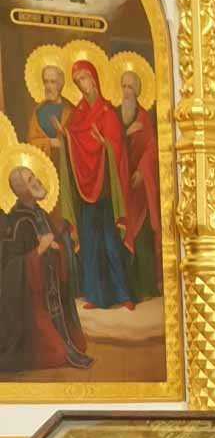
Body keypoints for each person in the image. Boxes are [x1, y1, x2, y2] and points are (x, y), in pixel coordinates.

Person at [59, 58, 135, 310]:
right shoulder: (77, 115)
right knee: (90, 242)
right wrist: (65, 136)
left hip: (105, 188)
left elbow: (116, 147)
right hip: (85, 188)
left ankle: (123, 294)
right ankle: (95, 295)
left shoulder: (107, 112)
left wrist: (105, 145)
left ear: (94, 79)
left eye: (84, 78)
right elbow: (75, 139)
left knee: (111, 241)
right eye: (77, 81)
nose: (82, 84)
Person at [0, 165, 91, 373]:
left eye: (34, 176)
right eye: (30, 180)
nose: (37, 181)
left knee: (78, 343)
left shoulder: (41, 214)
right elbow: (9, 271)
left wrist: (59, 249)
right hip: (32, 307)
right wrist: (38, 251)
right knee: (57, 354)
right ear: (22, 190)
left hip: (54, 301)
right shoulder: (17, 222)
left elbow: (59, 252)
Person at [118, 69, 161, 298]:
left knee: (142, 239)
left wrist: (142, 172)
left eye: (130, 87)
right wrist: (125, 133)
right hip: (122, 188)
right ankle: (129, 290)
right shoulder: (116, 115)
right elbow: (110, 144)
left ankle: (146, 288)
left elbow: (152, 148)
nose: (127, 92)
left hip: (141, 190)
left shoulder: (144, 117)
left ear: (137, 91)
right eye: (124, 86)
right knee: (123, 237)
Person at [26, 64, 67, 162]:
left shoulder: (70, 111)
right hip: (45, 164)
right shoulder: (38, 111)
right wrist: (49, 143)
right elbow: (31, 142)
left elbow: (78, 142)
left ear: (60, 85)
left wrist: (64, 136)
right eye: (46, 82)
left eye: (53, 82)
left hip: (66, 165)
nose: (48, 86)